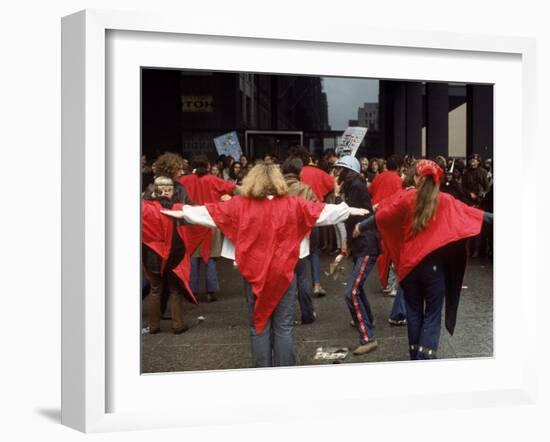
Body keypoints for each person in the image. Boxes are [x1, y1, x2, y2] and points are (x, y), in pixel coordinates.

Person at [162, 163, 369, 367]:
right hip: (284, 274)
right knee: (284, 326)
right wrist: (348, 210)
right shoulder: (294, 204)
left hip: (253, 274)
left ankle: (262, 374)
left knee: (258, 326)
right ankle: (283, 372)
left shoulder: (240, 205)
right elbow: (323, 212)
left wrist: (183, 212)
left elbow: (209, 213)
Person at [355, 160, 492, 360]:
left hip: (409, 268)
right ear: (437, 180)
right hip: (433, 269)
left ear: (418, 178)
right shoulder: (445, 200)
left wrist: (360, 227)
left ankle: (414, 357)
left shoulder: (406, 198)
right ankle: (425, 360)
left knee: (414, 313)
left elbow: (381, 217)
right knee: (432, 315)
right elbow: (477, 215)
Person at [333, 156, 381, 355]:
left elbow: (348, 213)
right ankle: (367, 321)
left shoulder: (355, 186)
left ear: (347, 171)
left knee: (351, 291)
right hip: (363, 244)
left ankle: (367, 337)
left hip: (366, 244)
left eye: (339, 169)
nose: (336, 172)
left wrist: (336, 197)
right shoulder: (354, 185)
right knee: (356, 289)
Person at [141, 176, 200, 334]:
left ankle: (153, 326)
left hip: (150, 254)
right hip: (173, 254)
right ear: (167, 190)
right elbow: (200, 214)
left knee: (155, 289)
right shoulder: (175, 208)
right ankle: (177, 325)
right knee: (175, 290)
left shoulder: (141, 207)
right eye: (172, 189)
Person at [179, 156, 236, 302]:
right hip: (210, 220)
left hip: (190, 221)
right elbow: (230, 187)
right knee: (210, 257)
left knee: (192, 258)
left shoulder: (184, 180)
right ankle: (211, 291)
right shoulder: (212, 179)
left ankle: (192, 291)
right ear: (208, 166)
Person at [293, 146, 335, 297]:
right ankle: (317, 284)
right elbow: (332, 185)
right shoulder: (319, 173)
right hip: (314, 215)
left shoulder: (295, 174)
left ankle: (298, 288)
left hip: (296, 218)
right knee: (314, 252)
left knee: (298, 254)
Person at [281, 157, 318, 325]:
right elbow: (318, 209)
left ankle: (285, 316)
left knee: (284, 280)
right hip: (300, 241)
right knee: (302, 277)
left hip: (279, 241)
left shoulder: (276, 189)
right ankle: (307, 314)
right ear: (299, 172)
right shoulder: (306, 189)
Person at [368, 155, 404, 294]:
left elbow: (370, 191)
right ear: (400, 167)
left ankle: (384, 282)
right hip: (391, 217)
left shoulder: (379, 177)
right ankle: (389, 284)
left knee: (381, 251)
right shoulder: (399, 181)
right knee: (391, 251)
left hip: (376, 216)